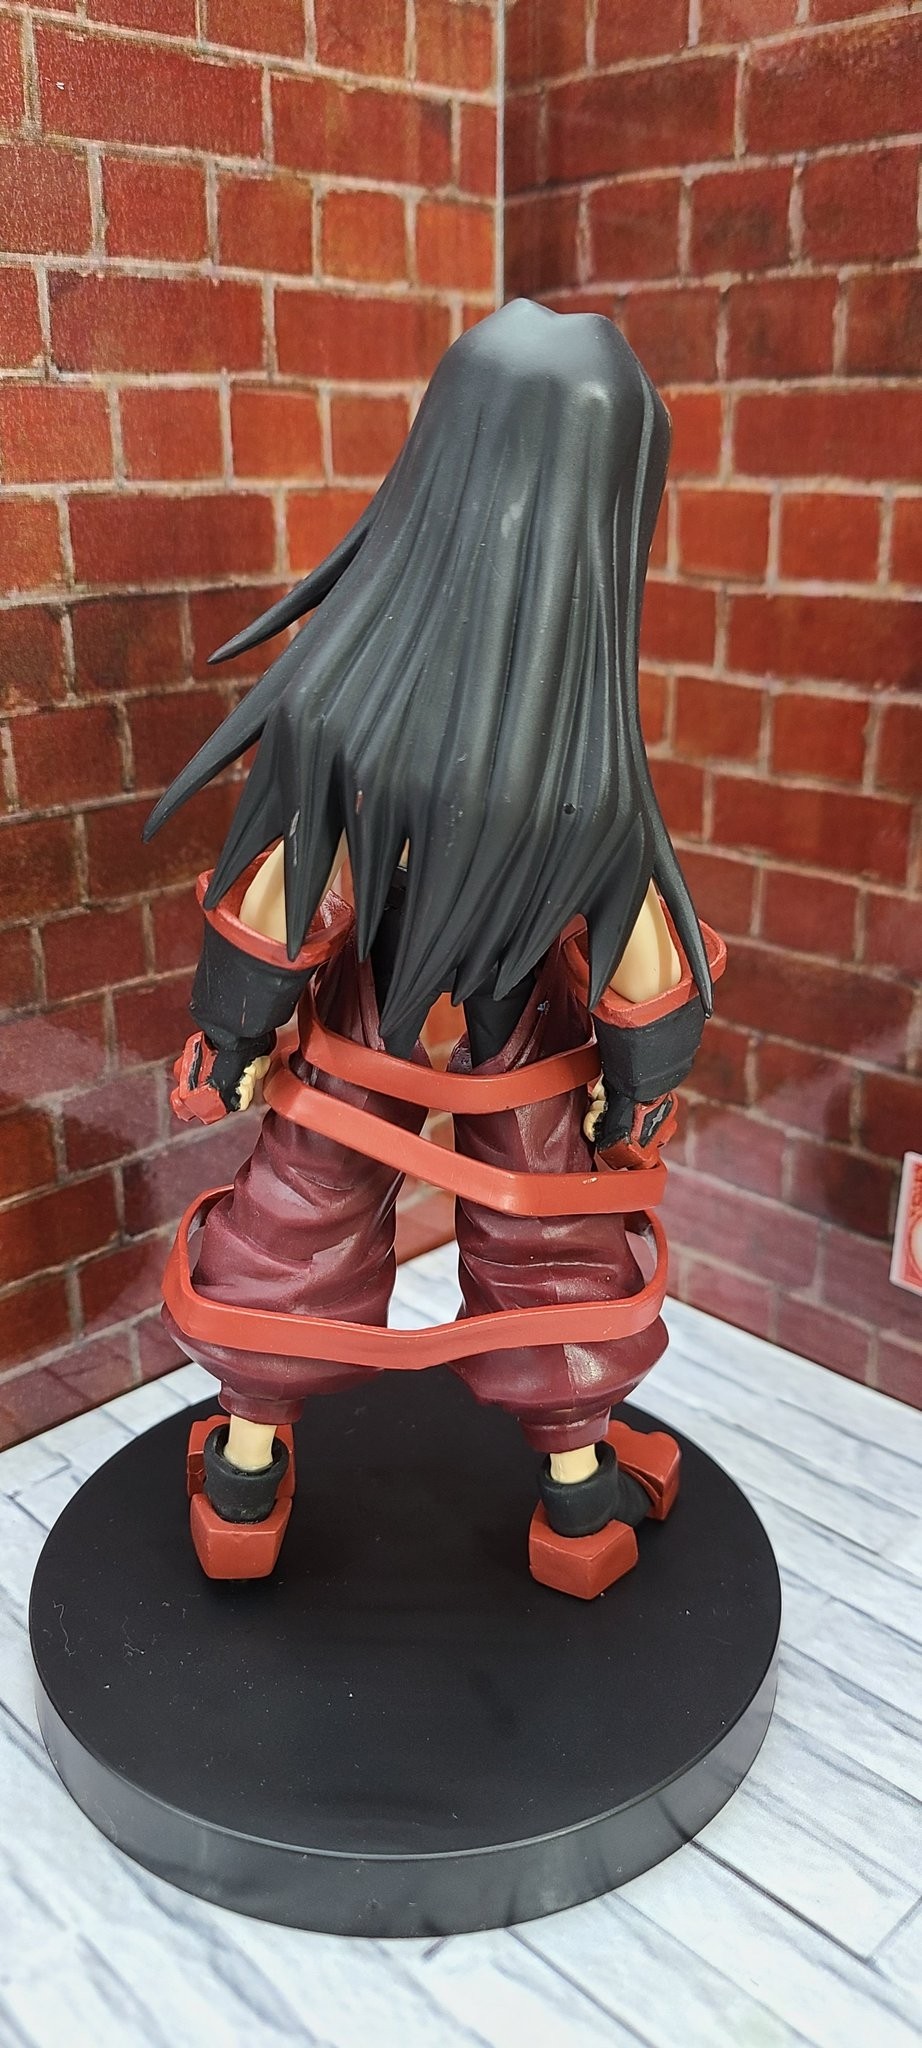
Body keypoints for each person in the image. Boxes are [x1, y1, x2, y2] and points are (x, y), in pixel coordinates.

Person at [145, 299, 723, 1594]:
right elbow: (642, 961)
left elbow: (282, 898)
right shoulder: (588, 773)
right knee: (550, 1241)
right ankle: (576, 1499)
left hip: (364, 1025)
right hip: (519, 1046)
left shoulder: (344, 710)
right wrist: (640, 1094)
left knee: (298, 1211)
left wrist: (234, 1037)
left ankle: (245, 1472)